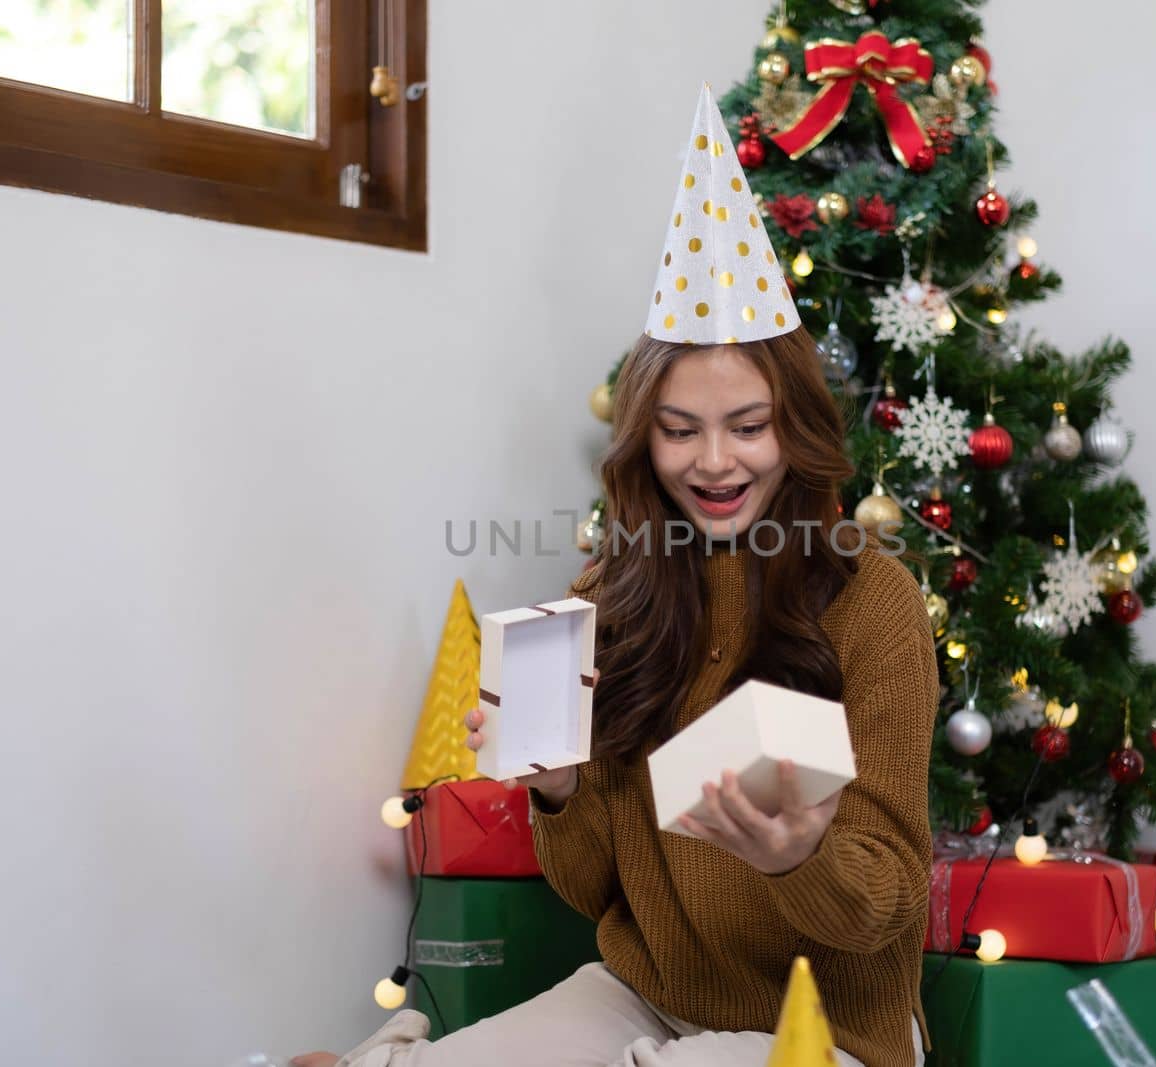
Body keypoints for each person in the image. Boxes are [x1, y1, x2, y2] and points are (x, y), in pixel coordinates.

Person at [295, 86, 938, 1067]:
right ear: (644, 442)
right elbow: (595, 886)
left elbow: (888, 895)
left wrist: (799, 855)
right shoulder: (613, 591)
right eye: (680, 431)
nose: (714, 461)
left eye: (747, 425)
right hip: (643, 993)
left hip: (828, 1023)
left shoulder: (869, 595)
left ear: (794, 430)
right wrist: (557, 790)